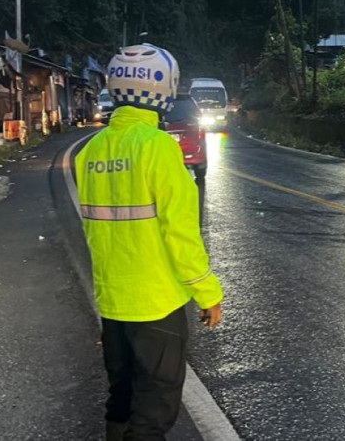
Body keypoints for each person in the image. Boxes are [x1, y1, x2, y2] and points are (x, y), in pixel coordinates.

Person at [76, 44, 223, 441]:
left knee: (121, 393)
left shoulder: (89, 152)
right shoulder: (158, 148)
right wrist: (207, 292)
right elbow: (181, 233)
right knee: (155, 404)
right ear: (163, 89)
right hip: (156, 302)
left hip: (112, 301)